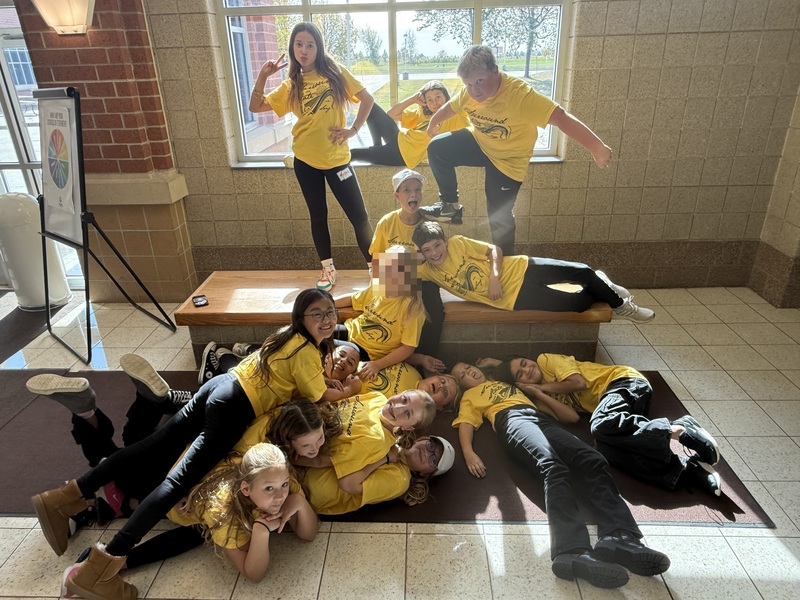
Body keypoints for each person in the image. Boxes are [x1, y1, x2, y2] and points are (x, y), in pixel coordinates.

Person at [30, 289, 354, 600]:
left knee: (151, 445)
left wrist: (323, 378)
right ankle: (99, 569)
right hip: (235, 408)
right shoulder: (309, 353)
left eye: (330, 313)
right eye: (317, 314)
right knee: (173, 485)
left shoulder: (287, 336)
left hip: (221, 385)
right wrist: (353, 387)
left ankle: (66, 495)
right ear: (302, 317)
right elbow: (319, 397)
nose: (326, 320)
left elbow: (298, 376)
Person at [450, 362, 670, 589]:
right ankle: (572, 550)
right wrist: (468, 453)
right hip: (512, 420)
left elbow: (507, 364)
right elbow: (466, 423)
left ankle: (619, 536)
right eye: (462, 375)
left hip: (540, 418)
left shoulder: (504, 380)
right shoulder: (470, 396)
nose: (469, 372)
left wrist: (492, 363)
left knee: (592, 459)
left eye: (467, 366)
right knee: (552, 467)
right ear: (461, 384)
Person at [420, 45, 613, 255]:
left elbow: (561, 118)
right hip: (480, 142)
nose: (474, 90)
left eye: (479, 81)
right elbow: (451, 106)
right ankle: (450, 208)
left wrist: (596, 147)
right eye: (468, 84)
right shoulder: (469, 93)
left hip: (508, 161)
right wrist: (434, 123)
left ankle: (508, 265)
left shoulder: (520, 95)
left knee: (499, 216)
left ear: (495, 71)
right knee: (437, 147)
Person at [477, 355, 722, 495]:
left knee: (600, 424)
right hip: (616, 413)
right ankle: (685, 471)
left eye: (524, 362)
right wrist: (539, 395)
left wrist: (540, 386)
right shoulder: (538, 399)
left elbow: (578, 383)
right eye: (520, 373)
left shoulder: (546, 360)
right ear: (519, 384)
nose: (528, 369)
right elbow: (572, 417)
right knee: (602, 449)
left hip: (624, 383)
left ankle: (676, 429)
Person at [249, 22, 375, 291]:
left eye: (309, 44)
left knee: (359, 216)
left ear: (318, 48)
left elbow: (367, 99)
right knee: (318, 215)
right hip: (305, 162)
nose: (304, 50)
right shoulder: (291, 85)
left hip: (338, 160)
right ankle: (328, 270)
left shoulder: (336, 74)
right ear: (292, 48)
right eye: (298, 44)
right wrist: (263, 76)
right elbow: (255, 106)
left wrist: (352, 130)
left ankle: (374, 267)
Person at [412, 221, 655, 324]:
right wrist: (416, 256)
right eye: (427, 250)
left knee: (582, 272)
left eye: (437, 245)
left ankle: (621, 306)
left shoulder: (457, 243)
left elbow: (494, 250)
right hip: (515, 299)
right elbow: (386, 268)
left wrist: (494, 277)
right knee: (580, 303)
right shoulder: (427, 270)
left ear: (444, 240)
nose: (434, 253)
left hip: (522, 267)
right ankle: (604, 286)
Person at [295, 389, 451, 514]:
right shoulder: (378, 400)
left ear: (425, 473)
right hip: (297, 440)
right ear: (422, 439)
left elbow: (345, 481)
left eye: (434, 460)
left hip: (303, 485)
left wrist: (385, 458)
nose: (427, 453)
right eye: (431, 446)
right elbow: (334, 406)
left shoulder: (399, 479)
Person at [367, 169, 449, 365]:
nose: (413, 194)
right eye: (406, 190)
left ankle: (426, 364)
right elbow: (377, 258)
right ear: (397, 196)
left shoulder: (428, 224)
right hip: (394, 279)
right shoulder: (387, 223)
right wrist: (375, 285)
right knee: (383, 313)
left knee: (432, 314)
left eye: (417, 190)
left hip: (423, 280)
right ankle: (391, 360)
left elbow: (438, 259)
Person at [334, 245, 427, 380]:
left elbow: (408, 347)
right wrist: (328, 302)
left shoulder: (411, 308)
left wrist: (377, 365)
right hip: (350, 330)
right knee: (318, 334)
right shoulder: (377, 288)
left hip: (368, 351)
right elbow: (352, 298)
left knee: (327, 345)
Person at [350, 80, 467, 172]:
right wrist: (413, 100)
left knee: (353, 153)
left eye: (438, 97)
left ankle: (376, 152)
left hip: (400, 155)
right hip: (398, 137)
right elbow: (391, 114)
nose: (435, 103)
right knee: (370, 104)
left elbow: (466, 100)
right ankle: (377, 146)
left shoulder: (455, 116)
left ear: (446, 97)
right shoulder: (421, 114)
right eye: (429, 100)